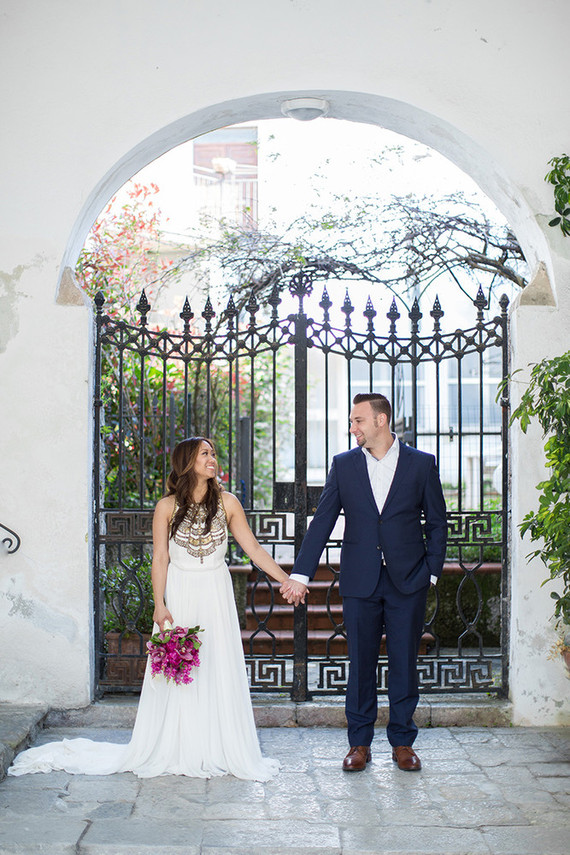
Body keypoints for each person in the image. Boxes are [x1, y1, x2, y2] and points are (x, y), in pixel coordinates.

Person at [9, 437, 306, 781]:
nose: (213, 459)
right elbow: (161, 558)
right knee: (180, 671)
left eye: (212, 453)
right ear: (187, 462)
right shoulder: (166, 506)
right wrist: (159, 603)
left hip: (215, 590)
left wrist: (288, 579)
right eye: (205, 454)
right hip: (179, 591)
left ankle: (219, 746)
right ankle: (178, 745)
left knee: (216, 663)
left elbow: (252, 548)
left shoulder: (228, 502)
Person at [282, 393, 447, 772]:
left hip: (409, 581)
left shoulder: (421, 464)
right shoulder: (344, 466)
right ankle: (359, 743)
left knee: (404, 662)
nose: (352, 428)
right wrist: (300, 574)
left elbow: (437, 522)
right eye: (351, 422)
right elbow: (322, 521)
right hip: (360, 581)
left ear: (381, 420)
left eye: (358, 420)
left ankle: (403, 742)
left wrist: (431, 572)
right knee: (360, 664)